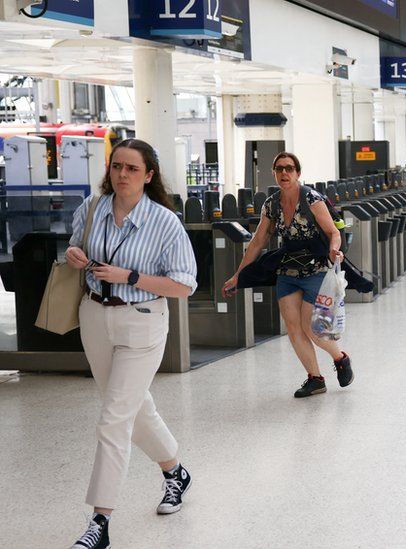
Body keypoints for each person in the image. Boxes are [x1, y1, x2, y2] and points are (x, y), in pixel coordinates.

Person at [64, 139, 197, 549]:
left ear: (149, 176)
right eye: (116, 166)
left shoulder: (164, 223)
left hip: (142, 322)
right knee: (134, 408)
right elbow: (75, 246)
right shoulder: (92, 209)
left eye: (132, 169)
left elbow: (184, 284)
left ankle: (99, 522)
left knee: (113, 420)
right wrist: (73, 253)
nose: (122, 174)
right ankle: (175, 471)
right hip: (94, 317)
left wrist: (131, 277)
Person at [223, 152, 351, 398]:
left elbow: (333, 231)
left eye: (289, 168)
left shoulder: (312, 199)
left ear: (298, 173)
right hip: (288, 269)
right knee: (293, 328)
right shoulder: (271, 204)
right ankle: (315, 378)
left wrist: (335, 250)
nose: (284, 173)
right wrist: (238, 275)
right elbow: (258, 241)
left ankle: (340, 358)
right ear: (274, 173)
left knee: (311, 327)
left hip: (316, 269)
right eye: (279, 168)